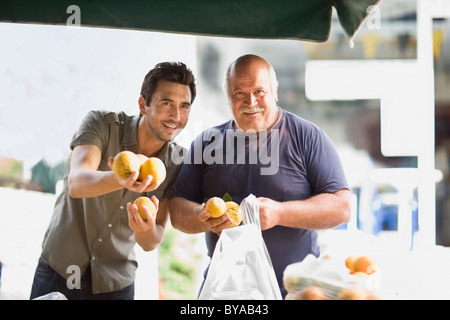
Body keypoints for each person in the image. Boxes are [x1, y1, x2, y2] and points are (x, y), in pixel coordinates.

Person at [169, 54, 351, 298]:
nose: (250, 101)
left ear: (275, 91)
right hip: (226, 290)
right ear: (228, 97)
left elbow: (342, 207)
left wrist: (280, 213)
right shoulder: (206, 144)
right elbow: (177, 210)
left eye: (259, 91)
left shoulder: (307, 137)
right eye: (239, 93)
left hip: (296, 291)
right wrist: (203, 218)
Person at [29, 61, 196, 300]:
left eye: (184, 106)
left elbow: (152, 241)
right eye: (166, 103)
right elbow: (77, 183)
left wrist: (145, 229)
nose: (176, 116)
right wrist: (121, 178)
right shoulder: (101, 124)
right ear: (143, 104)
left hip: (115, 285)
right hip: (59, 271)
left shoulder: (177, 162)